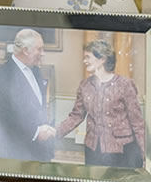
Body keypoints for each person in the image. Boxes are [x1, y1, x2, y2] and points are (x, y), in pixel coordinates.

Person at [54, 39, 145, 168]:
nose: (84, 61)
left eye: (88, 57)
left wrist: (145, 154)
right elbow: (76, 116)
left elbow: (137, 122)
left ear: (102, 59)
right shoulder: (84, 86)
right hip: (94, 150)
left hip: (122, 151)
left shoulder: (125, 84)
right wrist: (54, 132)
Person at [0, 29, 57, 162]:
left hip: (40, 152)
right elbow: (6, 117)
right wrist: (35, 132)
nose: (43, 53)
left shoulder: (36, 71)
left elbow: (39, 108)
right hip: (17, 154)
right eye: (39, 49)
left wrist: (46, 131)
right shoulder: (2, 76)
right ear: (25, 50)